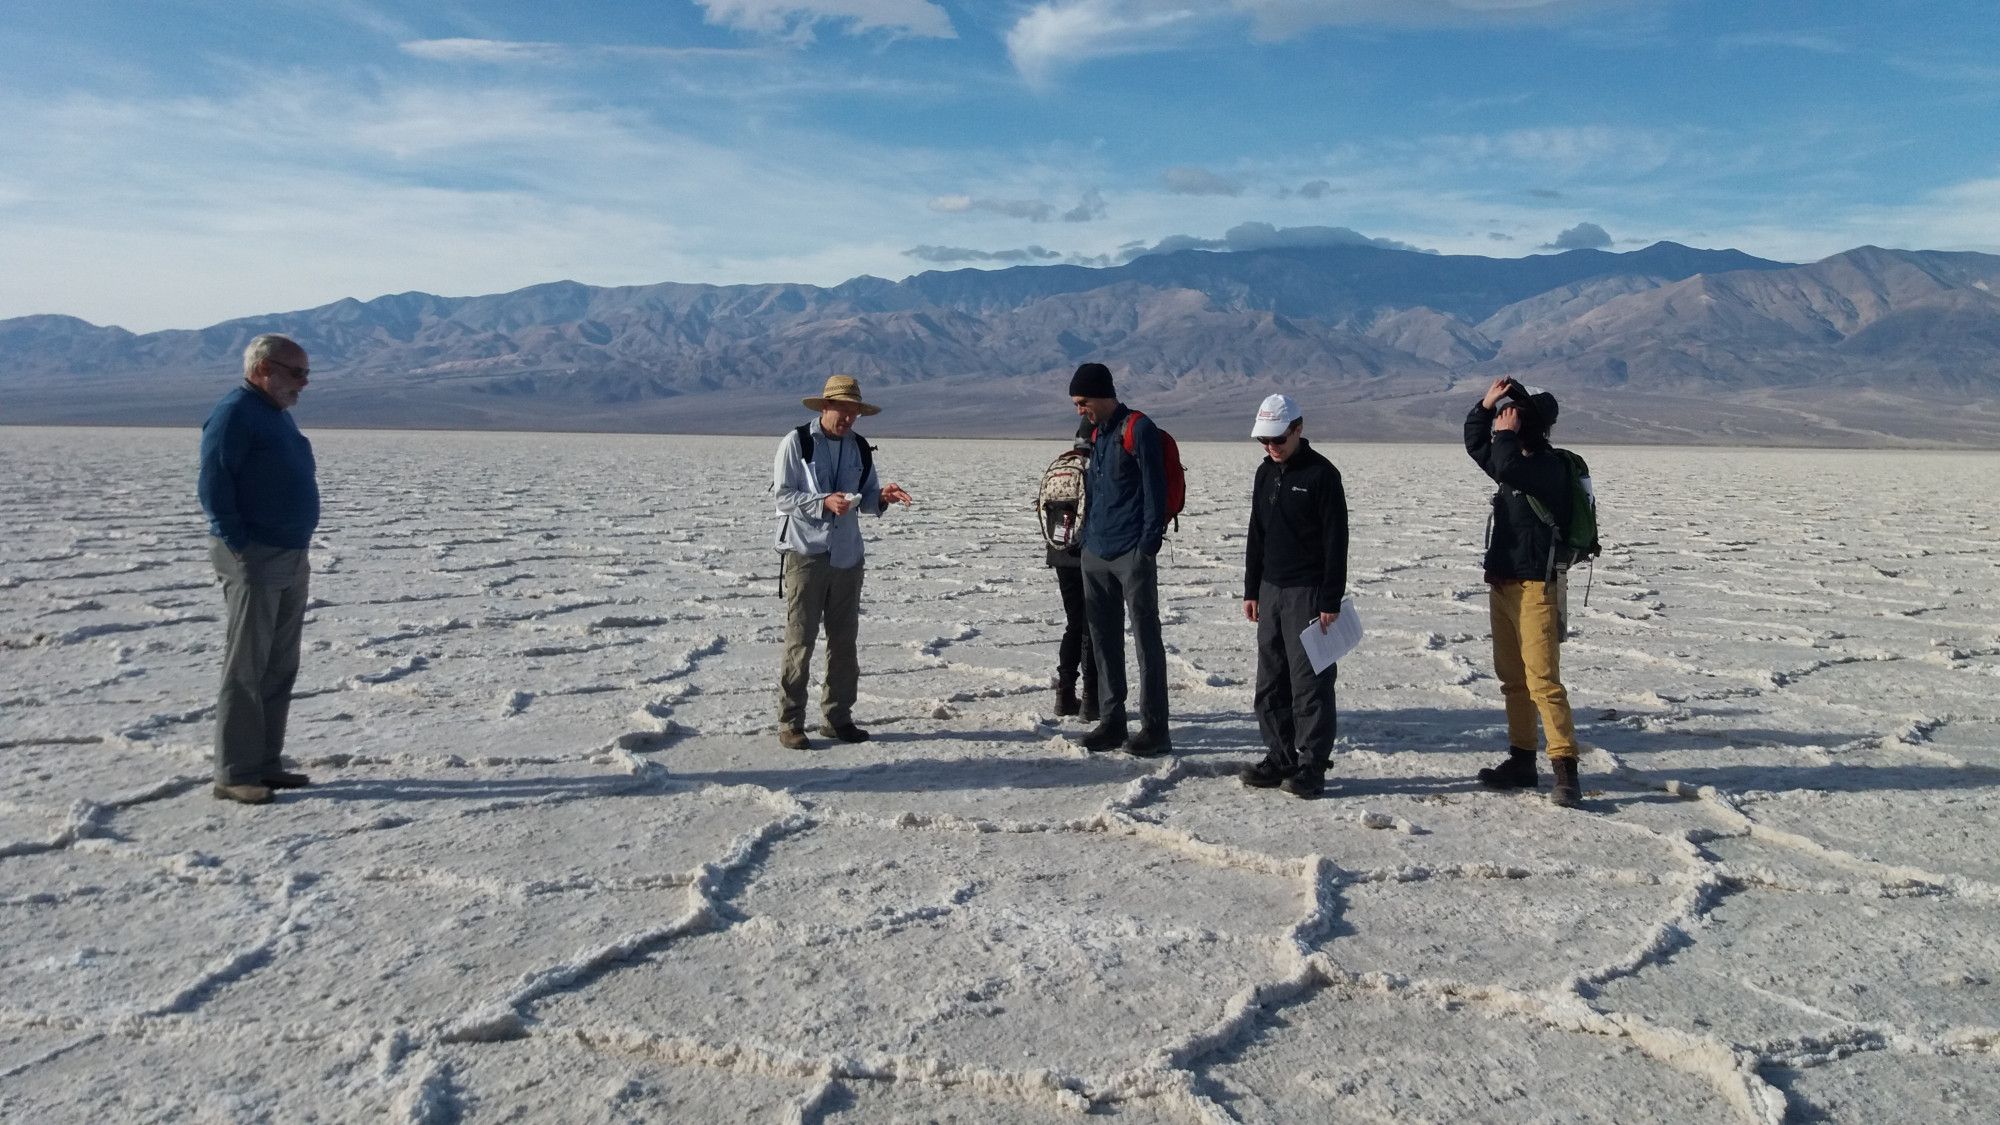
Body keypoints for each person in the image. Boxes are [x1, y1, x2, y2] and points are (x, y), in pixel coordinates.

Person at [197, 333, 319, 806]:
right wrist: (239, 544)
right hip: (255, 556)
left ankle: (267, 762)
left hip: (289, 553)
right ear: (264, 369)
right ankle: (235, 772)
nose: (304, 383)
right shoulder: (234, 414)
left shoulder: (275, 417)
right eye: (296, 373)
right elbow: (213, 483)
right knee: (247, 665)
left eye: (307, 373)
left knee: (279, 663)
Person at [772, 374, 913, 750]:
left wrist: (883, 496)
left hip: (848, 556)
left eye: (855, 412)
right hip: (806, 555)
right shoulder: (797, 443)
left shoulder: (860, 448)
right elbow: (782, 497)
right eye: (843, 410)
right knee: (800, 641)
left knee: (844, 642)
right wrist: (821, 502)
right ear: (825, 407)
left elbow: (865, 500)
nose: (849, 418)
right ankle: (791, 722)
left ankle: (838, 718)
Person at [1464, 376, 1582, 807]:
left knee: (1543, 680)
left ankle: (1566, 770)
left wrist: (1504, 434)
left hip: (1537, 586)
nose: (1506, 418)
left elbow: (1507, 463)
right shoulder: (1509, 455)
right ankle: (1521, 760)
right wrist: (1484, 406)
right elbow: (1480, 448)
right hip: (1504, 582)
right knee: (1512, 679)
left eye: (1516, 414)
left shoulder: (1547, 467)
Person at [1240, 394, 1349, 798]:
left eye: (1278, 439)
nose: (1271, 447)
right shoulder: (1265, 473)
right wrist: (1252, 588)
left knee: (1310, 682)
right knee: (1270, 680)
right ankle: (1280, 756)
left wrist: (1330, 599)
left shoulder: (1322, 475)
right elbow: (1257, 534)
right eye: (1264, 441)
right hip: (1270, 590)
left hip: (1308, 592)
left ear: (1298, 428)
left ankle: (1312, 765)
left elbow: (1337, 542)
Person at [1068, 362, 1171, 757]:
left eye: (1083, 401)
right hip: (1095, 550)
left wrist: (1147, 545)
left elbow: (1154, 489)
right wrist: (1084, 541)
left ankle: (1155, 729)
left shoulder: (1137, 428)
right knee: (1103, 640)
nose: (1079, 409)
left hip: (1131, 551)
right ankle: (1112, 722)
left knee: (1146, 640)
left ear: (1102, 395)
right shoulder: (1095, 433)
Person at [1047, 418, 1097, 721]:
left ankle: (1065, 694)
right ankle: (1092, 699)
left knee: (1074, 624)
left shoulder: (1061, 464)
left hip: (1059, 553)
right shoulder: (1093, 468)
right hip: (1087, 555)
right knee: (1091, 626)